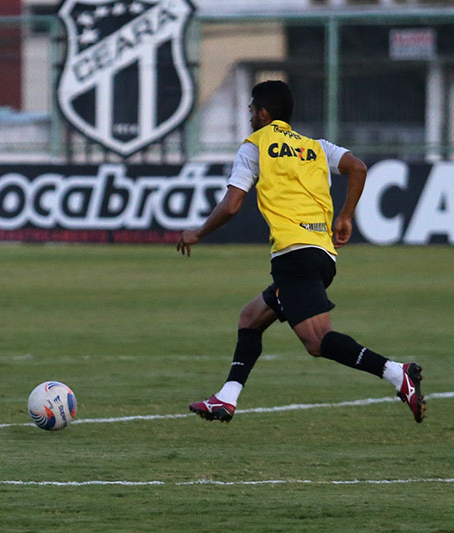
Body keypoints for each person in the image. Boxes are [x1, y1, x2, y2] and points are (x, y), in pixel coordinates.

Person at [177, 80, 425, 424]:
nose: (250, 116)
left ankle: (397, 373)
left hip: (294, 255)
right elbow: (358, 167)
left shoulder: (256, 146)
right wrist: (346, 216)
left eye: (251, 110)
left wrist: (199, 232)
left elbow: (233, 205)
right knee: (251, 318)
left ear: (263, 114)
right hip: (322, 254)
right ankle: (226, 398)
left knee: (318, 341)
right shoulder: (315, 146)